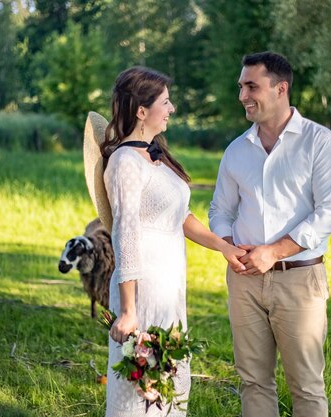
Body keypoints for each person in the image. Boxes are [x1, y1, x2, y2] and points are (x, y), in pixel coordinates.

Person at [98, 66, 246, 417]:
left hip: (169, 288)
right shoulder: (124, 163)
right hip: (143, 289)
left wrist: (224, 246)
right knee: (141, 388)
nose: (172, 108)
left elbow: (181, 217)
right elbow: (126, 235)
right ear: (141, 110)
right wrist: (130, 310)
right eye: (166, 101)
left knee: (169, 382)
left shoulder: (155, 157)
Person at [208, 51, 331, 417]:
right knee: (253, 382)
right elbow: (220, 210)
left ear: (280, 88)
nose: (242, 96)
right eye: (241, 87)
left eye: (251, 86)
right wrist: (229, 247)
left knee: (306, 385)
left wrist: (273, 251)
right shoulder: (236, 150)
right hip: (244, 281)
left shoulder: (319, 142)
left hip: (299, 279)